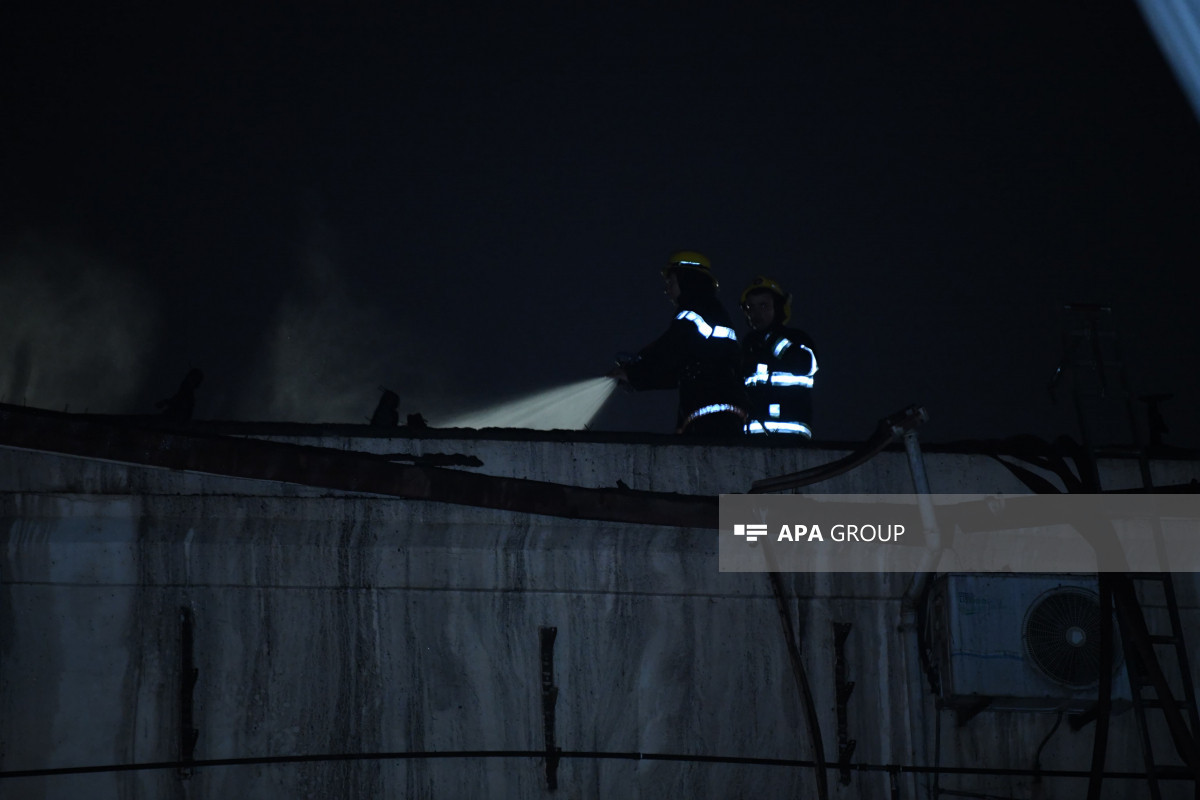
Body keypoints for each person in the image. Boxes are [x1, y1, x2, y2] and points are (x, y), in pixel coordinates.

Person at [609, 251, 748, 436]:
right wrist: (636, 377)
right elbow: (677, 371)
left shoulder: (695, 310)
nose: (667, 290)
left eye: (671, 282)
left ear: (688, 280)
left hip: (712, 415)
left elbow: (670, 349)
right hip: (716, 410)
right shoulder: (708, 310)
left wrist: (635, 369)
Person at [739, 275, 817, 437]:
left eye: (763, 306)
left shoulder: (797, 339)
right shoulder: (749, 346)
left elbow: (803, 365)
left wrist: (772, 339)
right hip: (753, 441)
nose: (756, 313)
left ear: (779, 308)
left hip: (792, 439)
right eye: (750, 307)